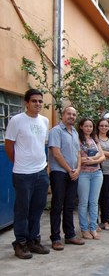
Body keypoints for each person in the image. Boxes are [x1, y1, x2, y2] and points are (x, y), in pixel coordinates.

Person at [5, 89, 50, 259]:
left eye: (40, 101)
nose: (38, 104)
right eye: (34, 101)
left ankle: (34, 241)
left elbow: (39, 144)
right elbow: (9, 145)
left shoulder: (44, 121)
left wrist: (42, 167)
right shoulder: (17, 121)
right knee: (22, 210)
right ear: (27, 103)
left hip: (40, 172)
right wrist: (18, 163)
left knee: (37, 209)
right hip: (23, 174)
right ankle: (21, 243)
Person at [48, 106, 85, 251]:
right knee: (57, 206)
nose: (71, 116)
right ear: (62, 115)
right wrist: (69, 169)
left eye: (74, 114)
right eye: (69, 113)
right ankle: (56, 238)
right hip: (59, 173)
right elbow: (56, 154)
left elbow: (78, 153)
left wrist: (78, 169)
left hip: (74, 173)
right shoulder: (56, 131)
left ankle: (70, 235)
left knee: (70, 205)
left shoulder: (75, 132)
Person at [77, 118, 105, 240]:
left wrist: (92, 160)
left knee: (94, 202)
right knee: (83, 202)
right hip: (83, 174)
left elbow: (102, 155)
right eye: (86, 126)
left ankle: (93, 227)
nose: (89, 128)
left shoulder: (95, 139)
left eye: (91, 126)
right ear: (81, 127)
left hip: (97, 173)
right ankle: (84, 229)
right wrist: (92, 159)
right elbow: (78, 158)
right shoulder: (77, 140)